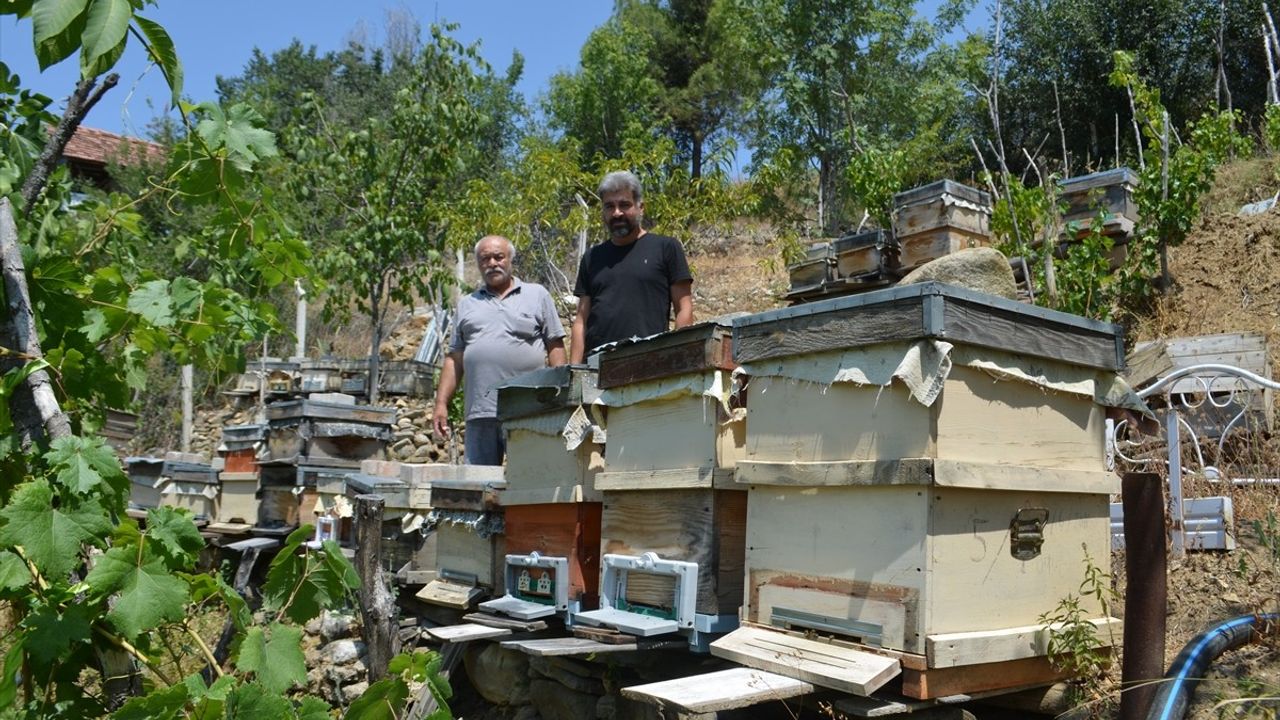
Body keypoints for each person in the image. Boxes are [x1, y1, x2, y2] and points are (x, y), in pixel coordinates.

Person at [433, 235, 567, 465]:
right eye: (485, 259)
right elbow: (455, 359)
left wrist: (564, 397)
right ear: (478, 264)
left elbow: (555, 346)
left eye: (498, 257)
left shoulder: (537, 295)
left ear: (510, 260)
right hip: (480, 413)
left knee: (529, 480)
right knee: (479, 486)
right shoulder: (467, 304)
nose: (492, 263)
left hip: (528, 410)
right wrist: (441, 403)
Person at [570, 170, 694, 363]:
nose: (617, 213)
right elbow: (581, 321)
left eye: (624, 205)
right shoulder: (592, 257)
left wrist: (678, 361)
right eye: (609, 206)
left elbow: (684, 309)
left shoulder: (666, 248)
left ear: (641, 207)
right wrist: (574, 374)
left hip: (648, 366)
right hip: (596, 369)